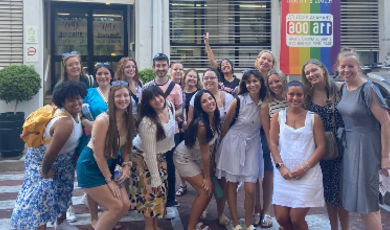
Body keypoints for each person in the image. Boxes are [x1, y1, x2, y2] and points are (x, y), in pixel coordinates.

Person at [11, 81, 87, 230]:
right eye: (70, 100)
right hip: (43, 161)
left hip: (63, 162)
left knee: (62, 193)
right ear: (62, 102)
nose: (76, 102)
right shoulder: (65, 122)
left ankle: (61, 224)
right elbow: (50, 154)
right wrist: (45, 173)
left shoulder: (76, 114)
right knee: (40, 199)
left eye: (78, 98)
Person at [336, 48, 390, 230]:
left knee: (367, 201)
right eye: (343, 66)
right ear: (337, 67)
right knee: (361, 202)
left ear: (358, 67)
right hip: (350, 147)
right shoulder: (344, 87)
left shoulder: (368, 89)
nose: (346, 70)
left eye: (351, 66)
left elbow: (385, 122)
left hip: (367, 147)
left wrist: (385, 156)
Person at [269, 81, 326, 230]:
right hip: (283, 174)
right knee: (281, 218)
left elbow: (321, 146)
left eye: (299, 94)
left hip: (307, 174)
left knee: (296, 219)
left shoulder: (314, 118)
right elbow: (273, 143)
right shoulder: (277, 116)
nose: (295, 98)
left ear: (304, 96)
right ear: (285, 96)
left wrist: (305, 168)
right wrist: (280, 167)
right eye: (291, 94)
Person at [76, 81, 133, 230]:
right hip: (91, 166)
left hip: (110, 164)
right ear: (111, 99)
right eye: (118, 96)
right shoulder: (103, 120)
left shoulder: (128, 118)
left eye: (126, 95)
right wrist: (110, 181)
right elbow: (98, 155)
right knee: (115, 206)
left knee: (125, 205)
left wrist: (127, 166)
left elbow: (126, 147)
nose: (123, 99)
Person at [301, 59, 349, 230]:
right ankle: (333, 227)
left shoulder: (340, 89)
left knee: (341, 193)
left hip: (342, 147)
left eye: (314, 70)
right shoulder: (307, 94)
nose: (311, 75)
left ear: (322, 69)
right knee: (328, 192)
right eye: (307, 73)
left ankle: (345, 228)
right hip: (320, 149)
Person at [217, 69, 266, 230]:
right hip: (234, 143)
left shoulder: (265, 101)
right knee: (232, 183)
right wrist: (219, 149)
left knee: (251, 188)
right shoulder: (238, 100)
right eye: (248, 81)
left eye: (255, 81)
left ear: (261, 82)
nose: (252, 84)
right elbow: (226, 125)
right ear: (244, 84)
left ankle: (249, 223)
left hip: (253, 144)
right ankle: (236, 222)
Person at [187, 68, 233, 227]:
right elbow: (190, 121)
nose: (208, 80)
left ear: (218, 79)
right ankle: (203, 208)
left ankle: (221, 213)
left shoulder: (227, 97)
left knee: (221, 181)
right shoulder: (197, 96)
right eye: (205, 78)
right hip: (204, 145)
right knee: (205, 180)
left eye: (212, 77)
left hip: (223, 145)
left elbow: (233, 121)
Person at [129, 85, 176, 230]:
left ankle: (155, 226)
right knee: (151, 194)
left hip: (161, 155)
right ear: (147, 103)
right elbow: (149, 154)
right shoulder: (147, 123)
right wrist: (155, 178)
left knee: (160, 193)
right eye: (152, 99)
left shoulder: (169, 106)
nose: (157, 100)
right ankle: (149, 227)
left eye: (158, 95)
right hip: (144, 158)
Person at [143, 53, 183, 219]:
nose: (160, 68)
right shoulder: (146, 87)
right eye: (157, 65)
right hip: (152, 135)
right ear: (153, 67)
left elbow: (180, 109)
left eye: (163, 65)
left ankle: (171, 201)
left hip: (171, 135)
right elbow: (143, 109)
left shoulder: (176, 87)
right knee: (152, 167)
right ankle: (152, 201)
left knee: (170, 167)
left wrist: (165, 115)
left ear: (168, 67)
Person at [174, 89, 220, 230]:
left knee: (209, 190)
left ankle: (197, 220)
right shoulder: (201, 125)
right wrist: (206, 177)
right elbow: (205, 154)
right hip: (184, 157)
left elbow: (210, 151)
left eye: (210, 98)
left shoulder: (214, 118)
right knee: (205, 190)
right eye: (204, 101)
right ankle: (191, 227)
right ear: (200, 107)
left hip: (196, 157)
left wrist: (211, 168)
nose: (209, 102)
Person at [77, 62, 114, 227]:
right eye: (99, 73)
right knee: (94, 179)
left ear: (111, 75)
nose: (103, 76)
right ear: (95, 76)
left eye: (106, 73)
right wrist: (86, 122)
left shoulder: (117, 92)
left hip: (113, 142)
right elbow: (78, 112)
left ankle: (109, 215)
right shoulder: (89, 93)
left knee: (109, 177)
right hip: (93, 140)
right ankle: (94, 218)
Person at [254, 50, 277, 228]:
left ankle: (266, 211)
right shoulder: (249, 79)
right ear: (257, 60)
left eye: (269, 60)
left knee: (268, 174)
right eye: (263, 58)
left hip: (269, 132)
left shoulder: (273, 83)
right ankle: (256, 210)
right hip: (251, 133)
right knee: (253, 174)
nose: (265, 62)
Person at [175, 68, 203, 197]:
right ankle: (183, 184)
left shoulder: (200, 94)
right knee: (181, 157)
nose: (192, 79)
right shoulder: (179, 92)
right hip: (181, 129)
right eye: (190, 76)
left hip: (196, 129)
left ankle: (198, 181)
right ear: (185, 77)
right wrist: (181, 124)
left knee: (196, 156)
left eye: (195, 77)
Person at [203, 32, 240, 96]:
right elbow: (213, 61)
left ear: (232, 67)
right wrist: (207, 44)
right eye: (222, 65)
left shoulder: (238, 82)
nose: (225, 65)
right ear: (221, 70)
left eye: (227, 64)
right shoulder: (219, 77)